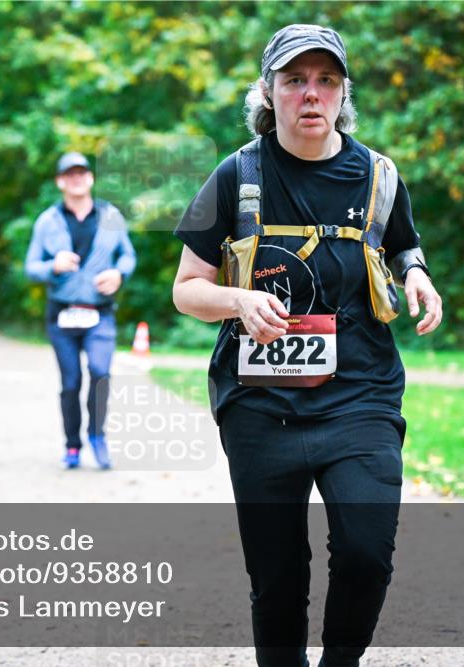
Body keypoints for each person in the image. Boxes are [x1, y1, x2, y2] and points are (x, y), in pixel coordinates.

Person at [171, 24, 442, 667]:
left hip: (362, 394)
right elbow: (186, 290)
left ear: (343, 91)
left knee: (366, 553)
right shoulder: (236, 174)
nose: (311, 95)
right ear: (269, 92)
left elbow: (401, 240)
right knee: (278, 576)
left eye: (326, 81)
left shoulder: (378, 174)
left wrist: (418, 275)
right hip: (260, 402)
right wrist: (238, 300)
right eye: (295, 81)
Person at [25, 152, 137, 470]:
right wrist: (52, 267)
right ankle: (72, 445)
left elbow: (128, 255)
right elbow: (31, 267)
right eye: (69, 174)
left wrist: (119, 274)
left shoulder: (110, 215)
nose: (76, 178)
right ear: (60, 181)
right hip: (61, 314)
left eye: (82, 172)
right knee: (71, 381)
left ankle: (97, 437)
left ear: (90, 178)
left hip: (99, 313)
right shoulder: (47, 220)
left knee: (100, 374)